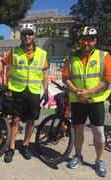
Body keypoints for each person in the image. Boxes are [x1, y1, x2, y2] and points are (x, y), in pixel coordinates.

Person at [0, 23, 49, 163]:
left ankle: (25, 145)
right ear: (21, 36)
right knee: (15, 120)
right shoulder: (14, 51)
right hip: (17, 91)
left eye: (29, 33)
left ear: (34, 36)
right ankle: (11, 147)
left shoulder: (42, 54)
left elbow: (45, 73)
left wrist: (46, 90)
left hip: (33, 92)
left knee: (31, 121)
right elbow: (1, 62)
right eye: (24, 34)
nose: (27, 36)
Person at [62, 26, 111, 177]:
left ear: (95, 40)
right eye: (83, 39)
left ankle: (100, 160)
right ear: (79, 41)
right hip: (78, 101)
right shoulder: (71, 57)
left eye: (90, 39)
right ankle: (78, 156)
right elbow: (65, 77)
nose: (86, 42)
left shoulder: (104, 56)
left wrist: (89, 92)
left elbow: (108, 78)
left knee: (98, 132)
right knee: (78, 131)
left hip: (95, 101)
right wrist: (77, 92)